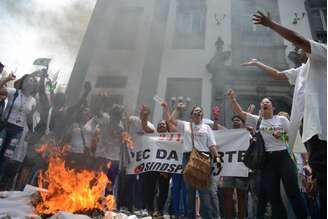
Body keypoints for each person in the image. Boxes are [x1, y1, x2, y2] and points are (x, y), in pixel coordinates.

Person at [243, 11, 327, 217]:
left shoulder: (323, 54)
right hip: (313, 132)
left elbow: (297, 38)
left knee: (320, 183)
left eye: (300, 47)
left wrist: (271, 25)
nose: (296, 48)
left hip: (323, 129)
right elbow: (278, 75)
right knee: (321, 181)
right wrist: (257, 63)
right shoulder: (301, 70)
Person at [227, 88, 307, 219]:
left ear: (272, 107)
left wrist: (281, 136)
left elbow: (294, 139)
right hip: (268, 162)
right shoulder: (257, 120)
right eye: (262, 103)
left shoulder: (282, 120)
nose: (264, 104)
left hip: (284, 158)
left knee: (293, 192)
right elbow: (239, 112)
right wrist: (232, 99)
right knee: (273, 195)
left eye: (267, 103)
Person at [162, 102, 220, 219]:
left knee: (204, 191)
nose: (198, 113)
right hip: (188, 157)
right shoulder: (186, 125)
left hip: (203, 158)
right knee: (189, 191)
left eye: (200, 112)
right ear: (191, 115)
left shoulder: (206, 127)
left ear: (202, 115)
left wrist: (217, 157)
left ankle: (207, 216)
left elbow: (212, 145)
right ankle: (190, 216)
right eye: (195, 112)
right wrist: (177, 109)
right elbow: (171, 120)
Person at [0, 74, 37, 190]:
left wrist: (31, 131)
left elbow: (30, 118)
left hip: (18, 131)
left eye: (32, 82)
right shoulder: (13, 92)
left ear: (34, 86)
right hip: (5, 127)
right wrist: (6, 79)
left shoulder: (33, 101)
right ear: (23, 82)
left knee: (6, 158)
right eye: (28, 81)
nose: (30, 84)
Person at [220, 115, 249, 219]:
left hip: (242, 169)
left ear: (242, 122)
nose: (235, 122)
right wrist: (215, 120)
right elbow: (217, 130)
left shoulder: (247, 134)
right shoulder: (228, 134)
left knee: (241, 195)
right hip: (228, 169)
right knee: (227, 195)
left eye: (238, 120)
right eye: (234, 120)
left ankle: (241, 217)